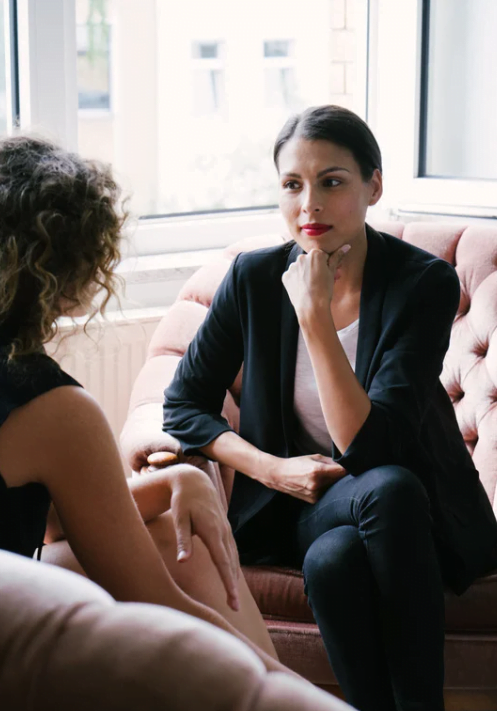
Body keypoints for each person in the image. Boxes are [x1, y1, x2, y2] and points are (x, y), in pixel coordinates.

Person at [163, 105, 497, 711]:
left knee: (340, 554)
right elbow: (183, 405)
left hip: (412, 509)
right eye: (293, 185)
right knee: (353, 525)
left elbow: (370, 449)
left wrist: (315, 318)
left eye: (332, 181)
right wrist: (272, 470)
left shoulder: (422, 284)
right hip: (295, 506)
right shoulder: (252, 279)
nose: (309, 205)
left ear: (374, 186)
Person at [0, 134, 292, 676]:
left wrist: (172, 482)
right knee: (183, 555)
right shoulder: (49, 406)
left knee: (172, 531)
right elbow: (155, 601)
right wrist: (298, 693)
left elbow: (53, 524)